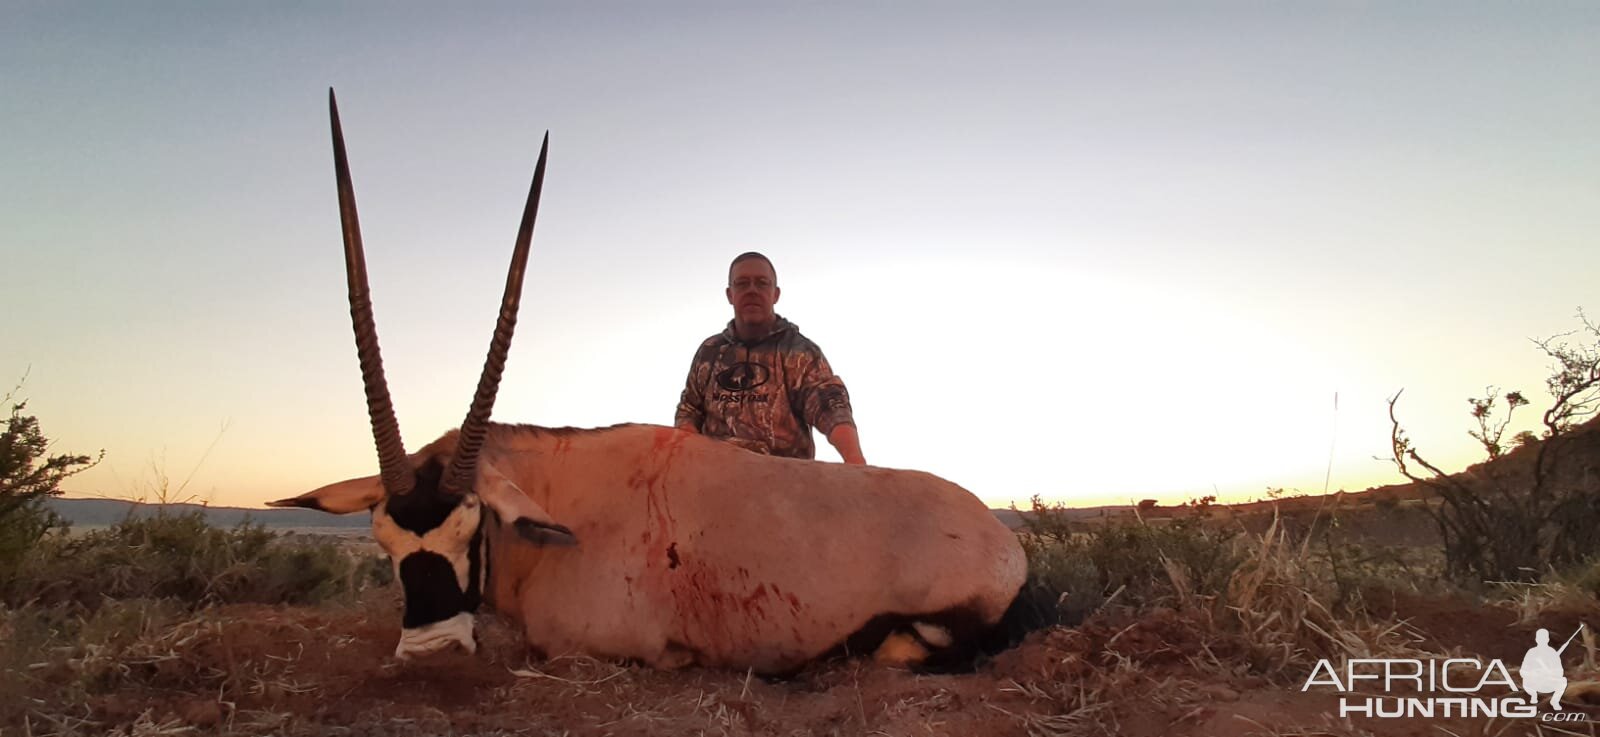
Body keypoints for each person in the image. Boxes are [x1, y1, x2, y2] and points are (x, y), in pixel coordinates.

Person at [675, 252, 866, 464]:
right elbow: (689, 411)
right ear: (730, 294)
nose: (752, 290)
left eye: (762, 283)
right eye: (742, 283)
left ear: (775, 294)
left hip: (784, 484)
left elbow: (830, 408)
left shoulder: (799, 351)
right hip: (716, 478)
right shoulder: (709, 352)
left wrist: (855, 461)